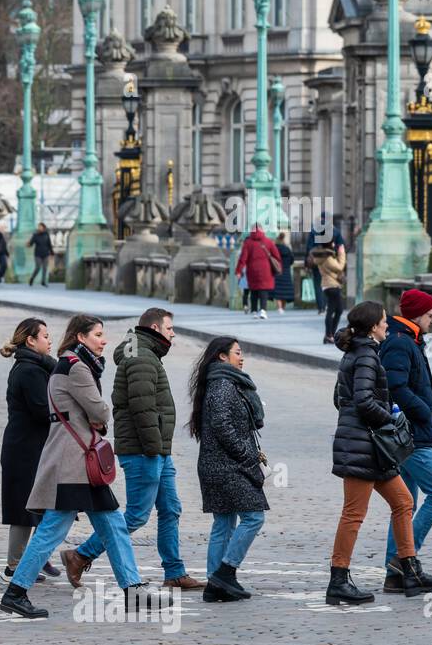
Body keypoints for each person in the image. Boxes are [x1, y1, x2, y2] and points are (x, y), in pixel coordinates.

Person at [0, 315, 153, 618]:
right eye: (98, 334)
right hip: (76, 463)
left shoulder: (66, 365)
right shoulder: (76, 367)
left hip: (77, 462)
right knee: (52, 530)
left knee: (113, 526)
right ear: (81, 338)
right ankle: (15, 592)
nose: (104, 340)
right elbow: (100, 411)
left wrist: (92, 416)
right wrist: (96, 416)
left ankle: (133, 591)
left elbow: (89, 413)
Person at [62, 308, 203, 591]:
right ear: (154, 327)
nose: (173, 333)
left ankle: (174, 572)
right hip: (144, 450)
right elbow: (142, 407)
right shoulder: (140, 356)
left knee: (171, 509)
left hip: (157, 449)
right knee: (137, 515)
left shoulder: (146, 353)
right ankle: (80, 555)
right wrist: (153, 449)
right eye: (170, 328)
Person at [328, 301, 432, 604]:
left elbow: (339, 399)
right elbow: (364, 401)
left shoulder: (356, 352)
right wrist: (393, 419)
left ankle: (409, 570)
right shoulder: (367, 354)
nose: (387, 325)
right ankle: (338, 579)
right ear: (372, 326)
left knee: (404, 501)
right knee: (354, 514)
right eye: (383, 321)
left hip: (371, 448)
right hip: (362, 447)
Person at [380, 290, 432, 594]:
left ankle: (393, 574)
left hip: (410, 435)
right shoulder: (400, 342)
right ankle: (403, 560)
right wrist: (423, 412)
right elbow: (395, 387)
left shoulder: (407, 339)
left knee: (403, 505)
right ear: (417, 314)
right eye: (431, 314)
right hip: (411, 436)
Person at [188, 337, 268, 602]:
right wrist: (245, 454)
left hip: (216, 464)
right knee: (254, 517)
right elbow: (222, 424)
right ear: (222, 357)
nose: (241, 357)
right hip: (226, 466)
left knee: (223, 522)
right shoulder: (223, 385)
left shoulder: (224, 382)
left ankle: (215, 582)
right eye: (237, 352)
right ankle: (225, 571)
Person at [0, 317, 59, 582]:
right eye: (45, 335)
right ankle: (14, 566)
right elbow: (42, 411)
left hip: (34, 446)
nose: (50, 340)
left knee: (43, 505)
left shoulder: (37, 367)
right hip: (24, 449)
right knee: (24, 509)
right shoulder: (29, 370)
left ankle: (37, 557)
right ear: (31, 340)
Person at [235, 223, 282, 318]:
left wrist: (238, 271)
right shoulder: (268, 242)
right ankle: (263, 310)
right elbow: (277, 256)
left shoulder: (247, 243)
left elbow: (242, 259)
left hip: (252, 270)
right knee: (263, 291)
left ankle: (254, 311)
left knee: (254, 291)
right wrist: (279, 267)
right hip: (266, 271)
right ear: (262, 230)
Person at [306, 218, 346, 316]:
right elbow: (341, 245)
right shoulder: (334, 231)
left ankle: (321, 307)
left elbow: (308, 248)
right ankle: (329, 305)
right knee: (331, 283)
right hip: (331, 259)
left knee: (318, 284)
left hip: (318, 259)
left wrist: (306, 263)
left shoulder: (314, 230)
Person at [311, 242, 346, 344]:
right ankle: (329, 335)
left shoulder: (322, 256)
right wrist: (342, 253)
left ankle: (330, 334)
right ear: (329, 245)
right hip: (332, 285)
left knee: (336, 310)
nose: (335, 244)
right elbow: (339, 267)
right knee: (335, 310)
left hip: (328, 285)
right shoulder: (327, 258)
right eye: (333, 243)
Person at [271, 231, 294, 313]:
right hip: (286, 271)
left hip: (277, 271)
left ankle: (279, 308)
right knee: (285, 291)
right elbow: (292, 260)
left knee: (278, 291)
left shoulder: (274, 249)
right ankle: (282, 308)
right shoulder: (287, 249)